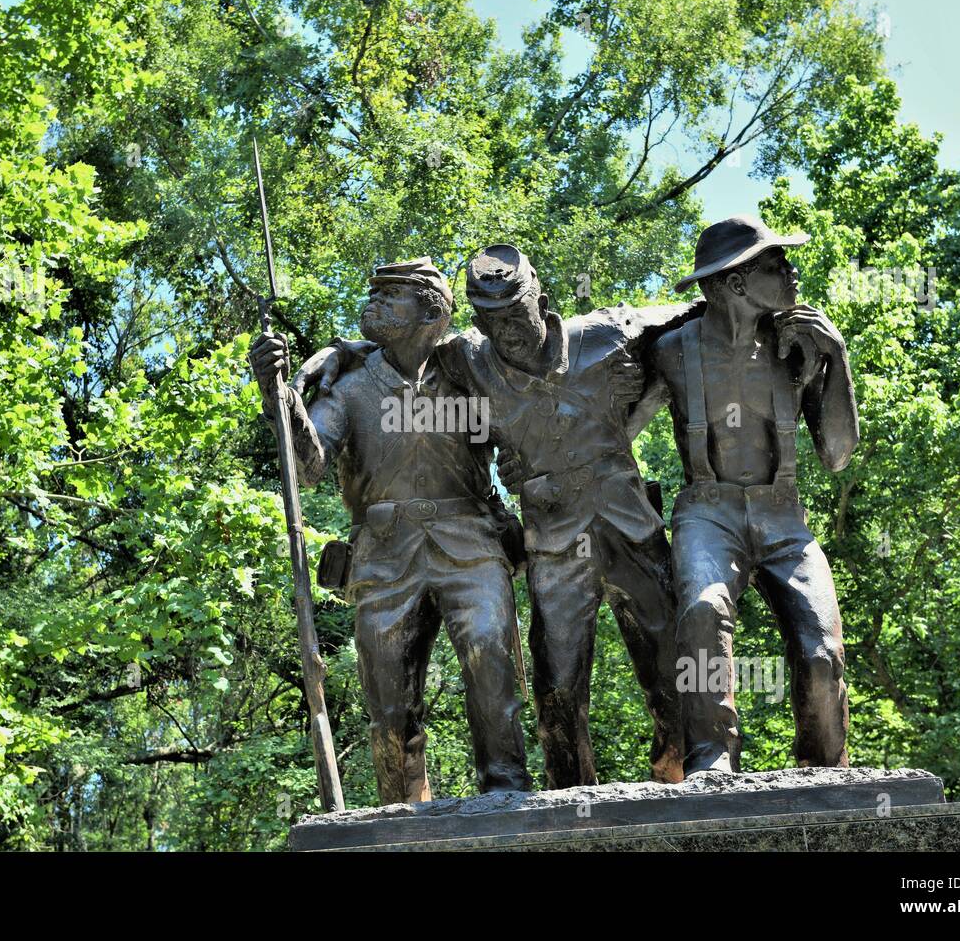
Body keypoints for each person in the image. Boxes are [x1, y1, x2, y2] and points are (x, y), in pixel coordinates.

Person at [298, 245, 699, 788]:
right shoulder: (408, 374)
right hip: (465, 552)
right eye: (489, 319)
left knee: (523, 660)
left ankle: (632, 778)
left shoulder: (543, 348)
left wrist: (633, 401)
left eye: (514, 312)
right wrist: (318, 365)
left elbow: (695, 318)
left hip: (555, 537)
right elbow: (320, 452)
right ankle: (483, 808)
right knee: (506, 691)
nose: (504, 328)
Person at [248, 257, 531, 804]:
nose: (371, 303)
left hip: (470, 542)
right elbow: (308, 467)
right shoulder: (352, 388)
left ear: (431, 311)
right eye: (372, 293)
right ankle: (402, 807)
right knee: (388, 695)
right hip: (383, 555)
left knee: (489, 655)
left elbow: (524, 423)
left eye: (390, 295)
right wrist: (278, 393)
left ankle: (507, 791)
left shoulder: (469, 370)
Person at [649, 215, 859, 775]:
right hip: (707, 513)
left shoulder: (799, 346)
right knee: (701, 610)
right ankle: (711, 759)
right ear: (735, 283)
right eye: (775, 263)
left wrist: (835, 359)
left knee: (821, 653)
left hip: (783, 516)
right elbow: (613, 426)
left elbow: (837, 454)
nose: (791, 271)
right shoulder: (671, 351)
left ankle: (823, 771)